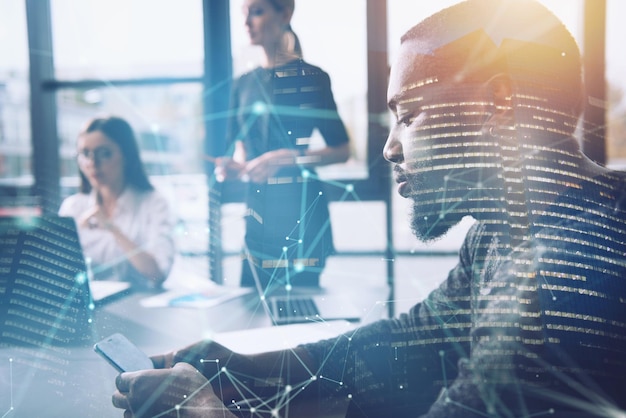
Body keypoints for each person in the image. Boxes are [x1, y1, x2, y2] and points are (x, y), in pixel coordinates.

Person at [111, 1, 626, 417]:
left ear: (495, 105)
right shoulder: (503, 232)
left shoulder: (552, 290)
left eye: (409, 116)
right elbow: (409, 344)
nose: (390, 148)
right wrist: (234, 367)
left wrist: (202, 410)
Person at [215, 0, 351, 289]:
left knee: (301, 316)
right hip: (257, 217)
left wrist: (289, 157)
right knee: (250, 313)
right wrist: (233, 167)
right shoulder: (242, 84)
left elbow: (342, 151)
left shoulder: (313, 79)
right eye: (244, 13)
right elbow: (238, 151)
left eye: (257, 11)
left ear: (285, 14)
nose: (246, 22)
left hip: (302, 216)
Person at [59, 116, 176, 289]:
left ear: (126, 155)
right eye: (85, 154)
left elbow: (157, 273)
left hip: (139, 308)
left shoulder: (153, 203)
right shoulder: (73, 207)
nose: (92, 163)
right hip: (90, 308)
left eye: (104, 153)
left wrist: (111, 227)